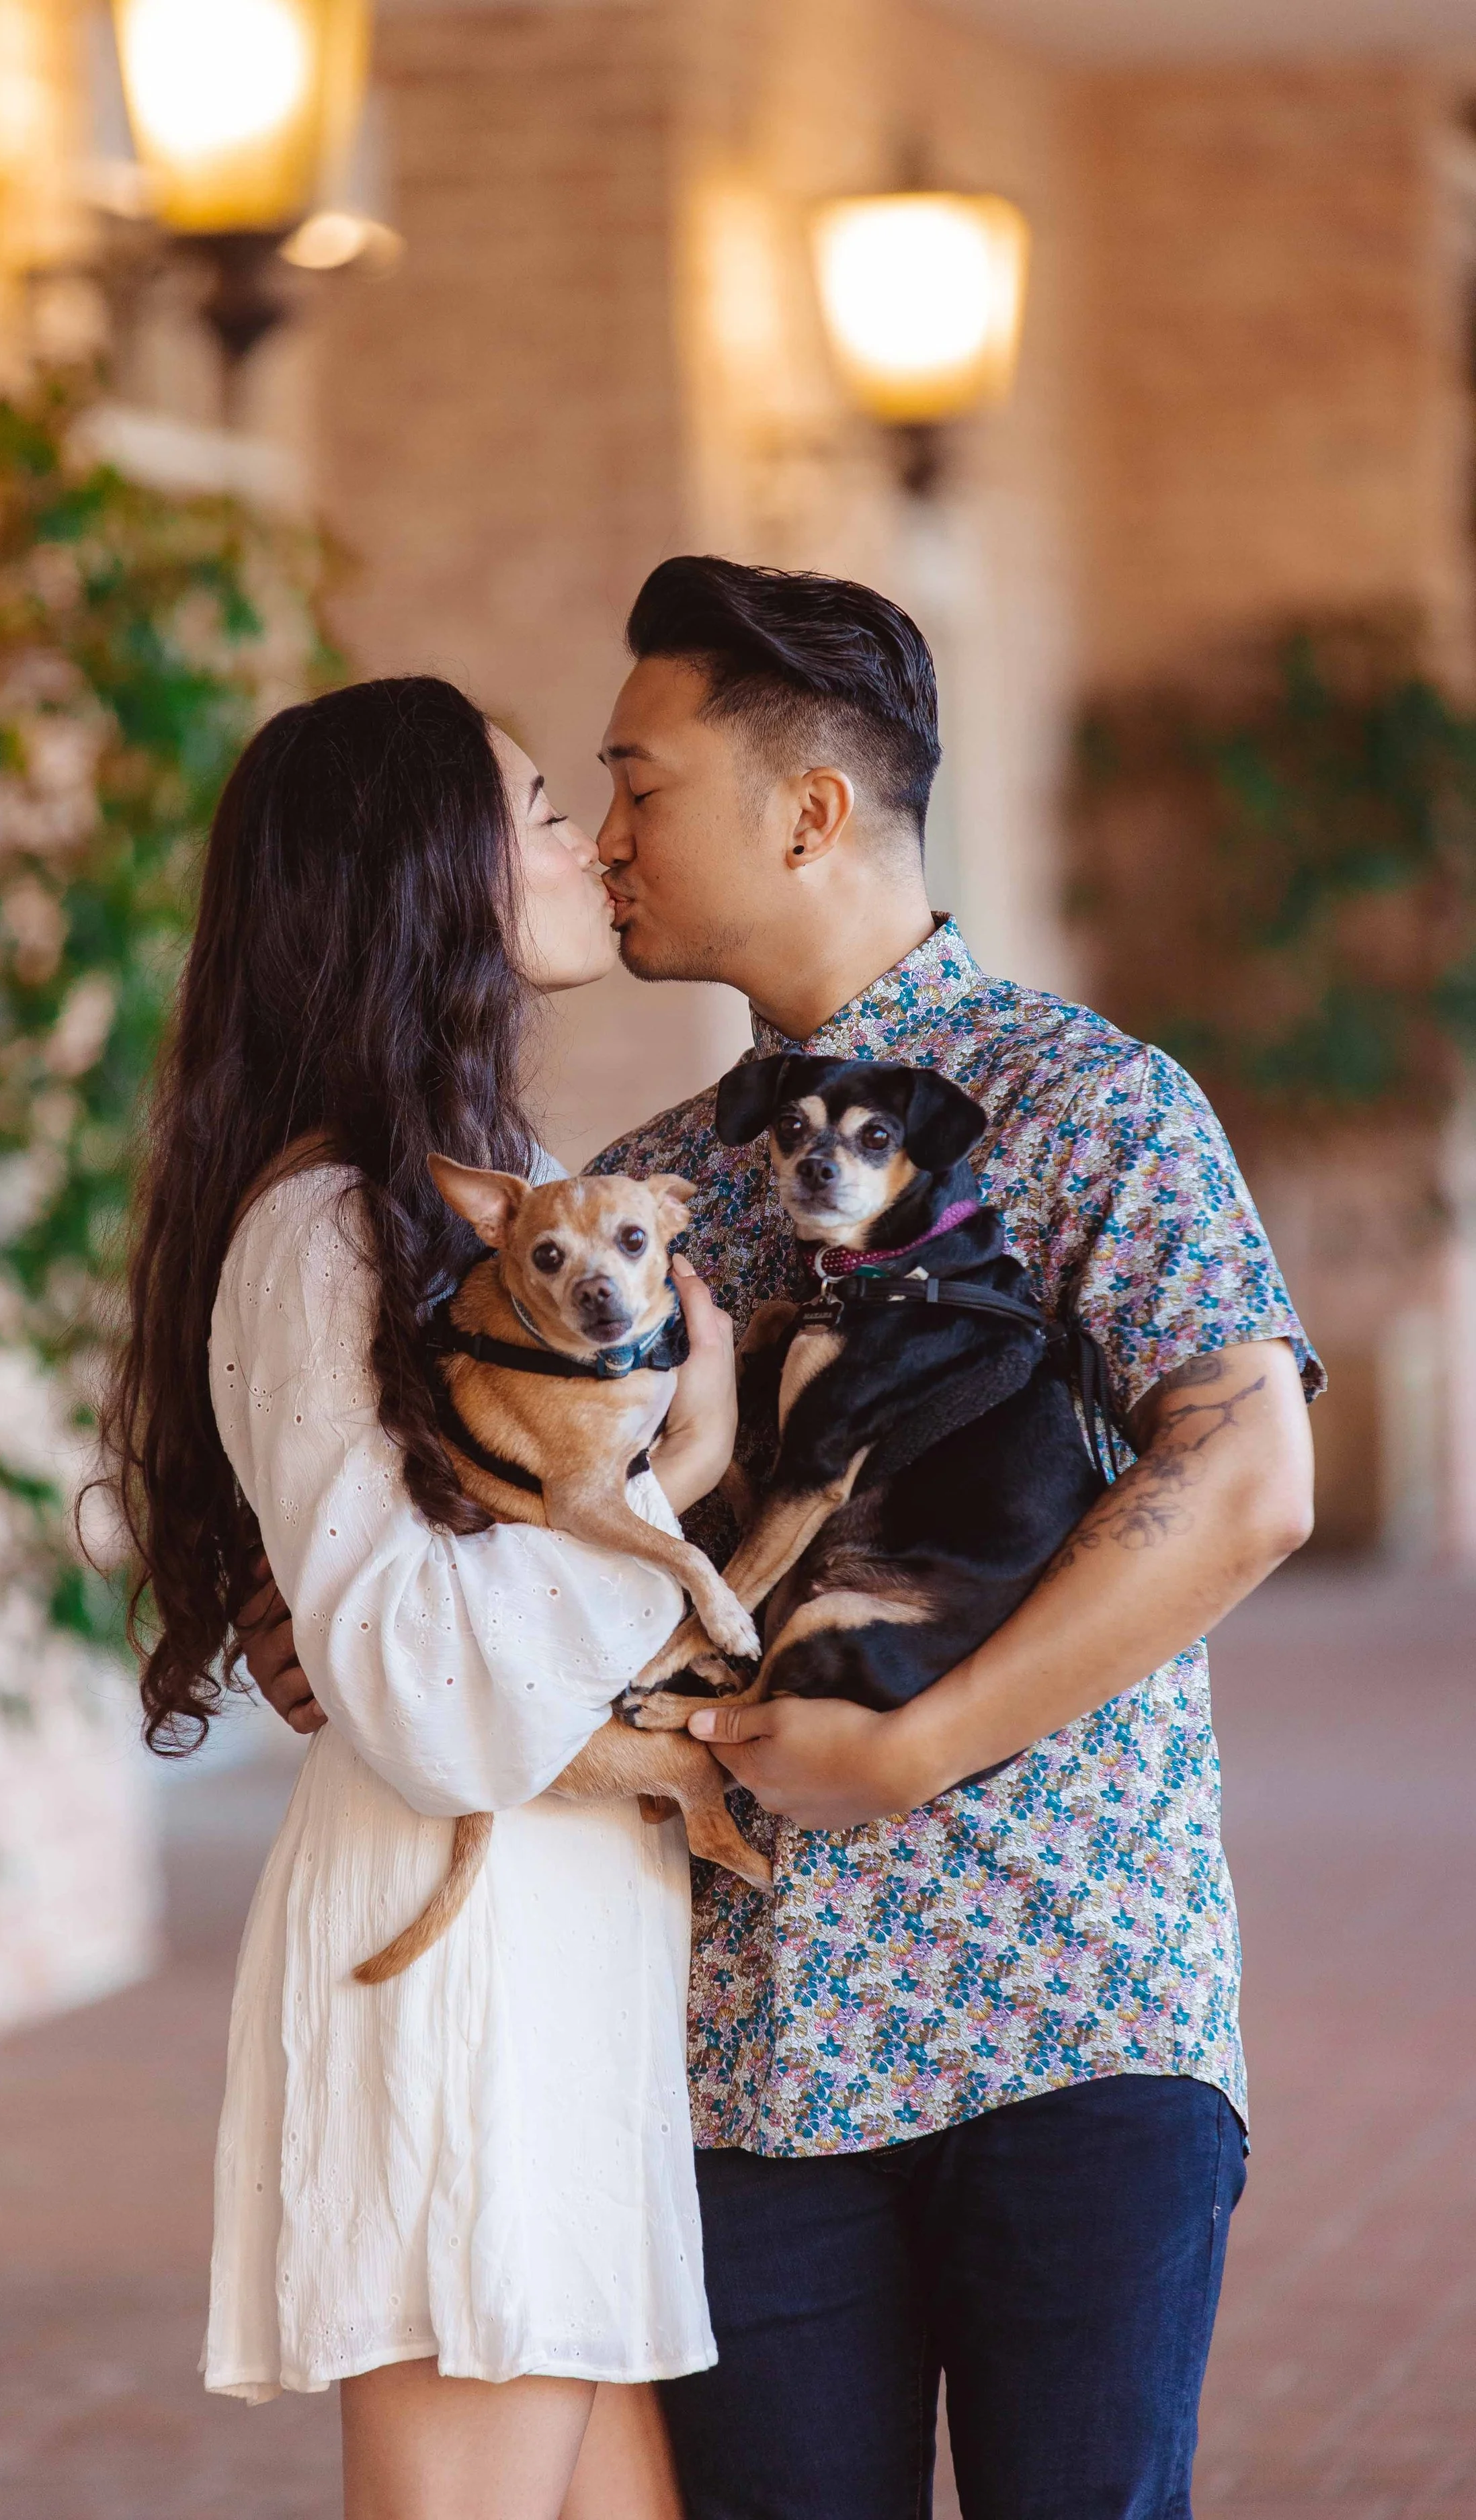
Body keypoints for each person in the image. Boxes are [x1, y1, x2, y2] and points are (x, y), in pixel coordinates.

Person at [249, 560, 1321, 2520]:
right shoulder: (646, 1192)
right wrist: (329, 1618)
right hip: (740, 2055)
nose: (605, 838)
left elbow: (1248, 1477)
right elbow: (458, 1534)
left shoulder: (1086, 1103)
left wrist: (915, 1748)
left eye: (637, 785)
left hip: (1063, 2003)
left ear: (809, 811)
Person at [102, 676, 743, 2520]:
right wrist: (673, 1470)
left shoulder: (498, 1198)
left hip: (556, 1925)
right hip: (457, 1942)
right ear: (425, 874)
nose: (585, 844)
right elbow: (426, 1696)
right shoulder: (327, 1225)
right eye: (535, 811)